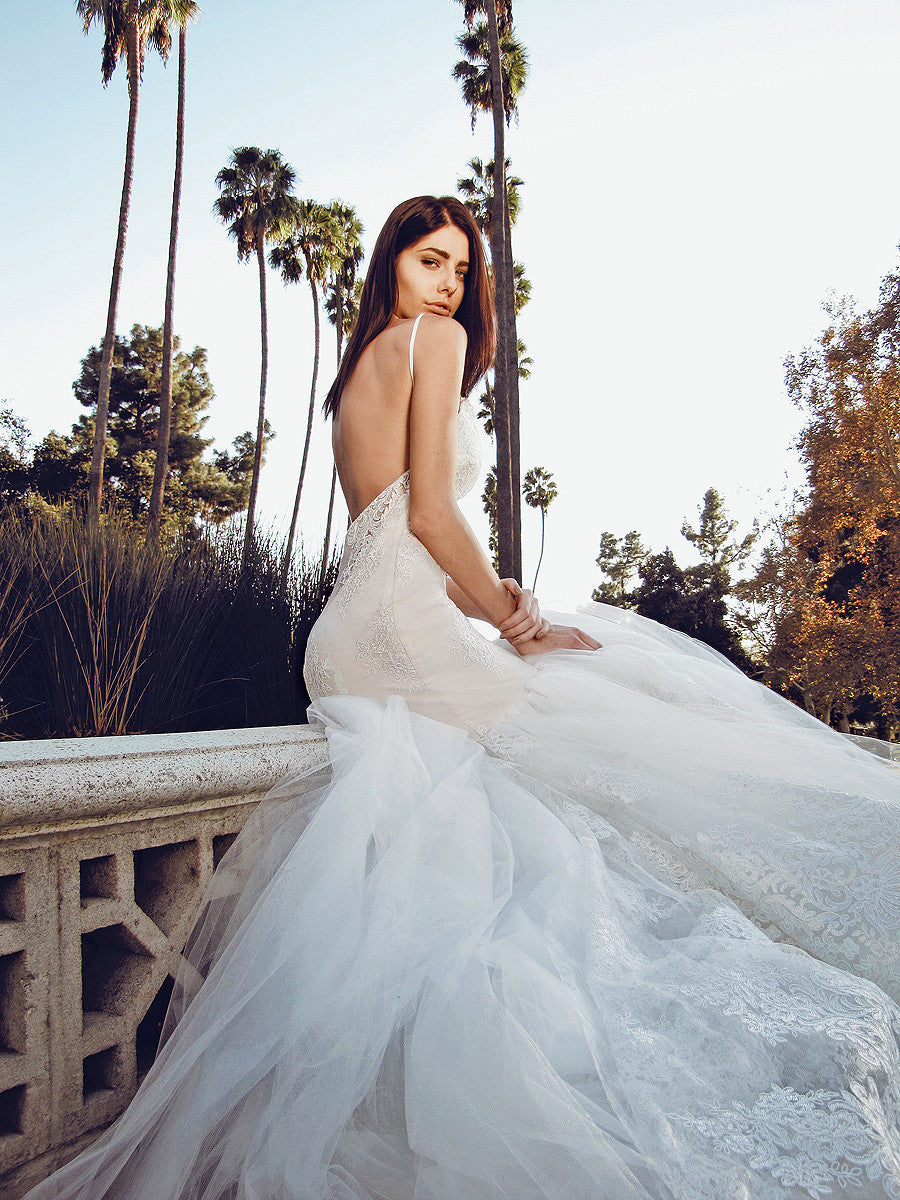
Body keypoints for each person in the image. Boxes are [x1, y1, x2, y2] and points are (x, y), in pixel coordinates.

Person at [27, 196, 900, 1200]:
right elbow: (435, 514)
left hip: (355, 635)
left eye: (459, 273)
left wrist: (491, 609)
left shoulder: (359, 366)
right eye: (428, 259)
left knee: (523, 789)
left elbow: (392, 532)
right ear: (393, 263)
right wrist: (516, 619)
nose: (445, 285)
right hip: (399, 633)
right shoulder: (429, 343)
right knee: (598, 704)